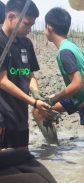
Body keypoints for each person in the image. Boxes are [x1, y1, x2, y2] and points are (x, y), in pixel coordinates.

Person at [44, 7, 84, 155]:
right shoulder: (69, 45)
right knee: (40, 111)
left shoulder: (64, 52)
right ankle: (53, 145)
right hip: (77, 97)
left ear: (48, 27)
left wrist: (55, 98)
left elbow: (77, 83)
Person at [0, 0, 50, 150]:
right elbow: (2, 81)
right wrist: (33, 103)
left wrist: (37, 96)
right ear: (10, 17)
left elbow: (30, 75)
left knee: (21, 157)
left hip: (20, 116)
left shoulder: (26, 44)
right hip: (2, 117)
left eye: (32, 25)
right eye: (26, 24)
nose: (29, 29)